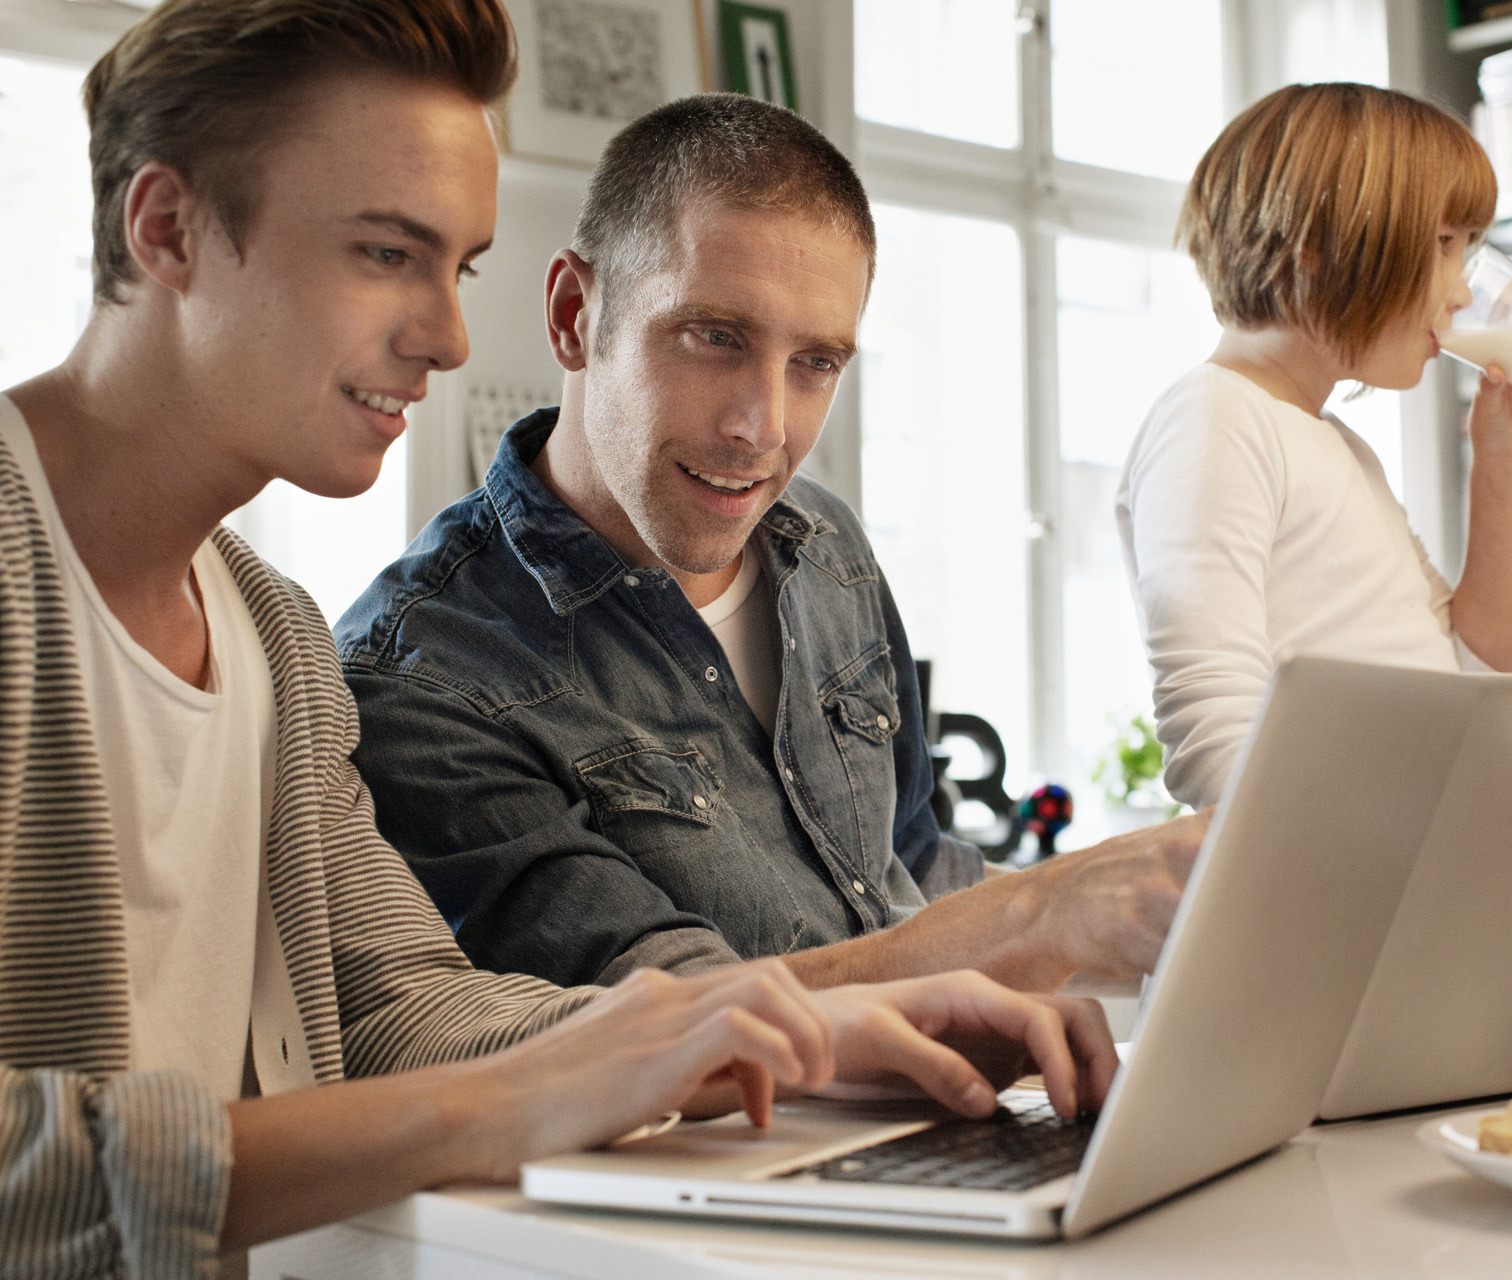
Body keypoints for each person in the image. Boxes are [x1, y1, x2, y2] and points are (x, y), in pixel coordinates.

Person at [0, 3, 1114, 1273]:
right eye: (384, 253)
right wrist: (538, 1089)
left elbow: (406, 1005)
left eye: (458, 267)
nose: (451, 337)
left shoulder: (272, 634)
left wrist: (797, 1024)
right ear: (167, 228)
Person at [337, 93, 1206, 996]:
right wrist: (1037, 915)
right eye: (714, 337)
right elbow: (672, 1021)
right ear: (572, 315)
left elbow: (908, 873)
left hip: (939, 1109)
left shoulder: (827, 546)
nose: (763, 427)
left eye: (816, 363)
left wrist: (1129, 925)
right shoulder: (420, 680)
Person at [1115, 82, 1512, 808]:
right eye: (1443, 246)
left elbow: (1476, 678)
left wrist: (1506, 465)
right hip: (1338, 881)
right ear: (1316, 252)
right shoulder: (1216, 418)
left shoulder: (1339, 447)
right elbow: (1215, 744)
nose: (1461, 295)